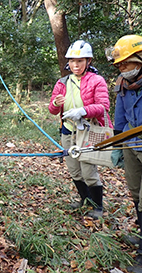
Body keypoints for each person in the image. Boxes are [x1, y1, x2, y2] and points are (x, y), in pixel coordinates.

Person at [48, 40, 113, 219]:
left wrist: (83, 111)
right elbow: (52, 110)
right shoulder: (62, 82)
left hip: (88, 129)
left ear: (88, 61)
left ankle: (98, 207)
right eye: (72, 61)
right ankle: (85, 200)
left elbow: (103, 106)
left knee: (88, 170)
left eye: (80, 61)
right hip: (68, 130)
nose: (75, 65)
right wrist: (55, 103)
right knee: (74, 169)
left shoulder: (96, 80)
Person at [108, 34, 142, 272]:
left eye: (125, 63)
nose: (122, 68)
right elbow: (119, 116)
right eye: (119, 65)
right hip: (131, 143)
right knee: (136, 194)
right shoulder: (122, 85)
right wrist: (118, 144)